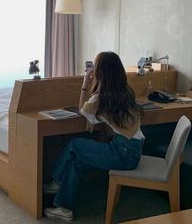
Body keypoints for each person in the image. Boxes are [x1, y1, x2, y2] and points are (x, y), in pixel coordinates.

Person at [44, 51, 144, 222]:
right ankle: (64, 208)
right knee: (77, 162)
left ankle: (57, 181)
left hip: (122, 152)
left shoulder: (100, 98)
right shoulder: (126, 91)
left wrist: (85, 83)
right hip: (133, 151)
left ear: (100, 73)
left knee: (75, 144)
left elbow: (83, 109)